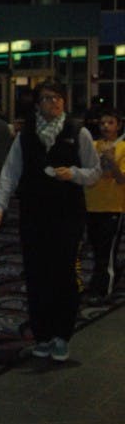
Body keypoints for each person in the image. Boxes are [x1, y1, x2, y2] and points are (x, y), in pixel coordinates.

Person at [0, 80, 101, 362]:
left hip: (68, 216)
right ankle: (42, 335)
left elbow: (95, 172)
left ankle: (62, 335)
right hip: (34, 215)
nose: (55, 103)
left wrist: (73, 174)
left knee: (64, 275)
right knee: (37, 275)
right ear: (38, 104)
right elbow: (10, 171)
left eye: (59, 98)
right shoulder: (26, 135)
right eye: (48, 98)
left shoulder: (78, 132)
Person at [84, 107, 125, 298]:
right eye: (102, 123)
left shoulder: (123, 148)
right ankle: (102, 279)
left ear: (118, 126)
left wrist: (112, 161)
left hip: (113, 206)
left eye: (110, 123)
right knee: (97, 250)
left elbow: (120, 178)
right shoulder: (92, 145)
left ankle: (103, 292)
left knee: (107, 252)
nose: (106, 126)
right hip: (92, 204)